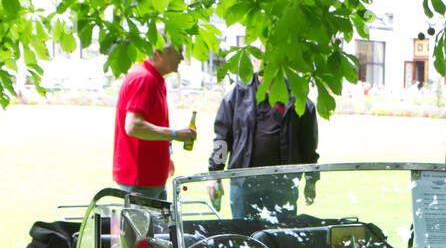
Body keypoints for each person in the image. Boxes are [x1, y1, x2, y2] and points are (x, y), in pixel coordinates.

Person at [206, 74, 320, 219]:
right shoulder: (238, 93)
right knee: (244, 237)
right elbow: (222, 138)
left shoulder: (295, 94)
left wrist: (311, 180)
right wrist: (214, 174)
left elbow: (308, 145)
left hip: (283, 184)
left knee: (282, 237)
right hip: (243, 182)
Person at [112, 43, 196, 200]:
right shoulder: (144, 79)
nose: (182, 57)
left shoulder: (155, 79)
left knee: (157, 224)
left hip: (150, 177)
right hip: (140, 179)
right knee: (142, 225)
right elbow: (133, 126)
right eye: (179, 52)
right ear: (158, 52)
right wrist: (175, 134)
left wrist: (165, 157)